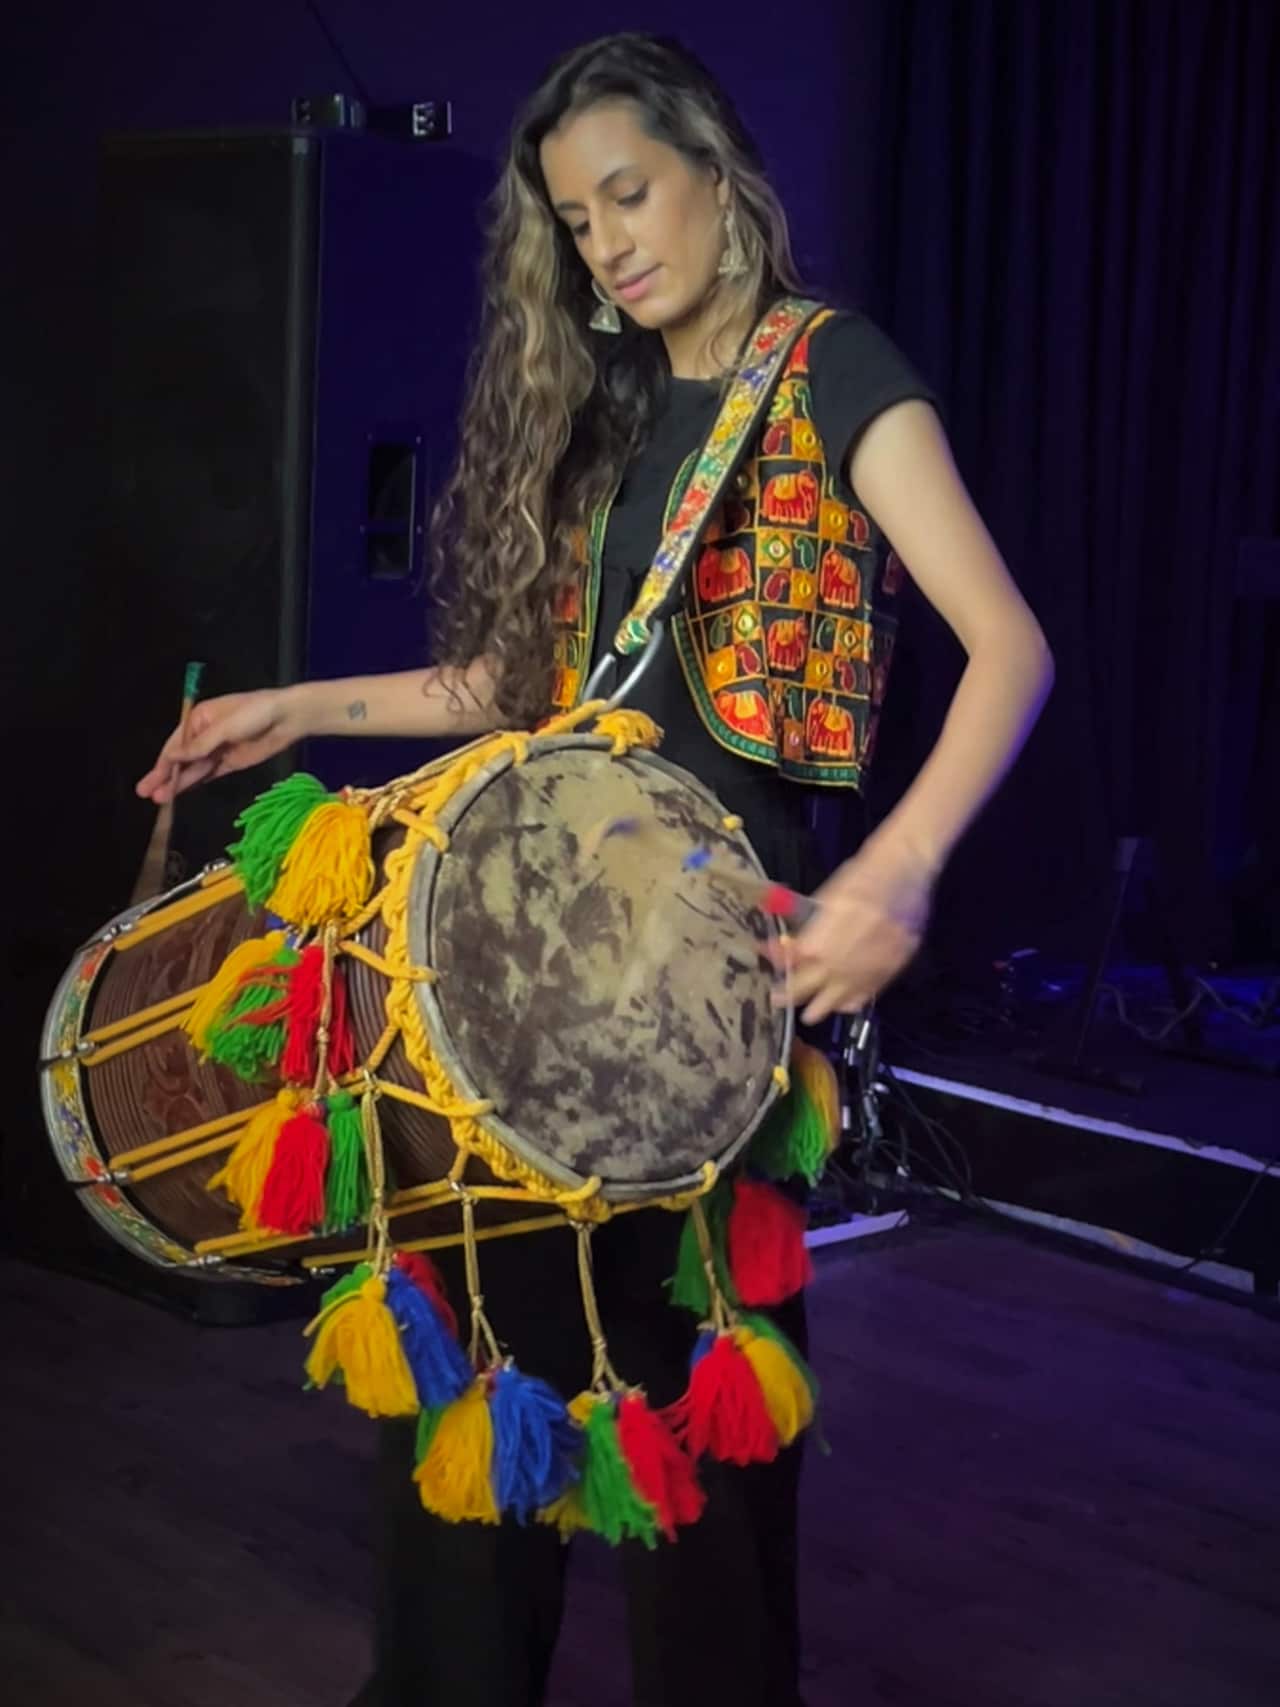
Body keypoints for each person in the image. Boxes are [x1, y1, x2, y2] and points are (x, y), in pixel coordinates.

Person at [137, 32, 1053, 1707]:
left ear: (716, 169)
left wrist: (902, 872)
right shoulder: (622, 417)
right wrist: (297, 706)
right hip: (542, 965)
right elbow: (530, 687)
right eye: (573, 220)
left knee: (696, 1397)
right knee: (480, 1359)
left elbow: (1011, 648)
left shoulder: (837, 372)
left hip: (717, 983)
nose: (607, 244)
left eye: (629, 195)